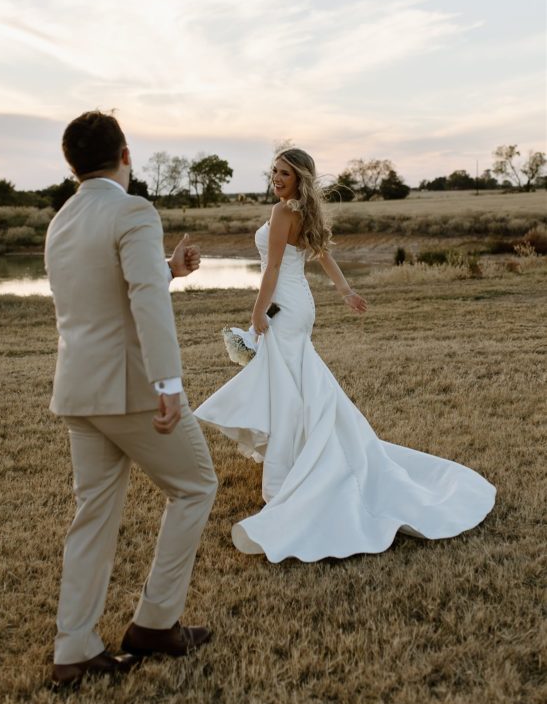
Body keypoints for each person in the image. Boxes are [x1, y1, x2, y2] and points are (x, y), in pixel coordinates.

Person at [194, 148, 495, 563]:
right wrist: (345, 290)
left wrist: (256, 311)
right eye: (274, 171)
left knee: (287, 386)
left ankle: (285, 480)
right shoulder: (300, 210)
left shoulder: (284, 213)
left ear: (300, 177)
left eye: (285, 173)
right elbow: (322, 254)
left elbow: (275, 268)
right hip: (298, 305)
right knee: (295, 383)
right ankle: (301, 455)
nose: (276, 178)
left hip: (285, 304)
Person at [45, 110, 217, 688]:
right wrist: (168, 383)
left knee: (92, 515)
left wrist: (169, 268)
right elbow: (143, 298)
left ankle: (74, 649)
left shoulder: (62, 220)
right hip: (133, 390)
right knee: (196, 486)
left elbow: (111, 292)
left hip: (79, 389)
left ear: (73, 163)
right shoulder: (134, 210)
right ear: (124, 154)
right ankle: (154, 622)